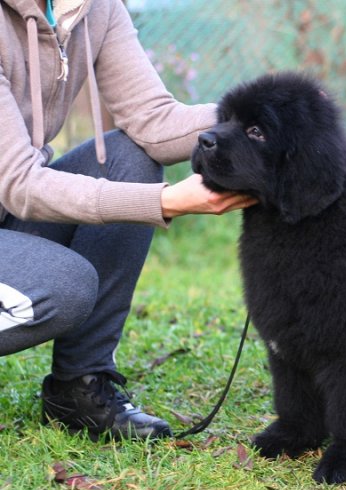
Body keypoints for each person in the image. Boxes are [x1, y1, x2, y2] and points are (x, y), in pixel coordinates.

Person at [0, 0, 256, 440]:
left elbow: (153, 122)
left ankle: (79, 385)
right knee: (65, 283)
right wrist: (165, 201)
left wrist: (262, 119)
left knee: (129, 155)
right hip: (15, 191)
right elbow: (20, 182)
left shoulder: (93, 7)